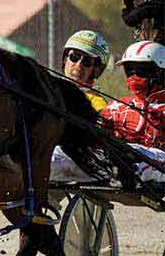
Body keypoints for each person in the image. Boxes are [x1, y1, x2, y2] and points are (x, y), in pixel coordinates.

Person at [52, 41, 165, 184]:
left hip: (149, 162)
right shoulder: (117, 106)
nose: (133, 76)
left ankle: (123, 169)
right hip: (110, 159)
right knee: (58, 155)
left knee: (132, 157)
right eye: (129, 71)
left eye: (141, 71)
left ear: (161, 73)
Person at [61, 30, 110, 111]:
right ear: (65, 59)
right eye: (74, 57)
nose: (79, 64)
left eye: (87, 61)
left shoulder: (99, 106)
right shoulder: (48, 86)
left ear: (96, 70)